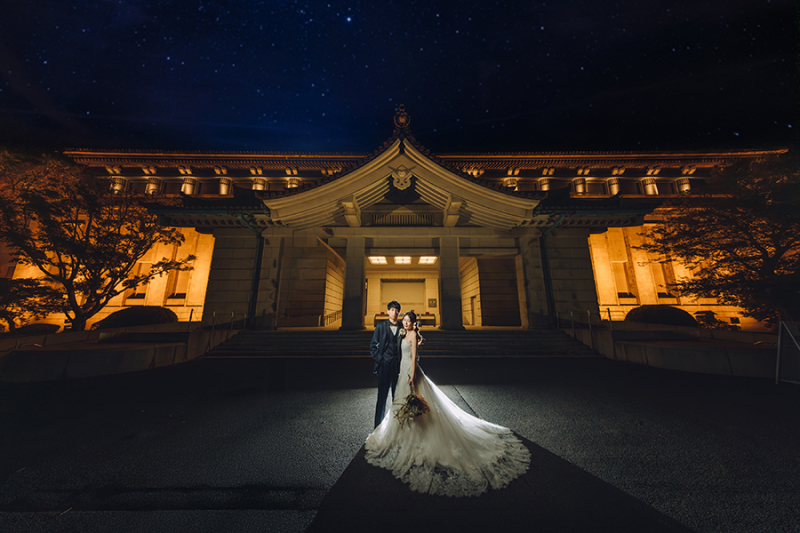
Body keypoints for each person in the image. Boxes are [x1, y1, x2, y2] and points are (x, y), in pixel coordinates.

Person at [365, 310, 531, 497]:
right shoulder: (404, 334)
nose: (405, 323)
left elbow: (414, 358)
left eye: (408, 321)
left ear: (413, 323)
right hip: (401, 372)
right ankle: (402, 435)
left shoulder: (412, 335)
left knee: (414, 404)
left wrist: (411, 376)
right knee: (401, 404)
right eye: (404, 320)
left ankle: (416, 436)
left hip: (410, 374)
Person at [370, 300, 403, 428]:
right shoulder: (380, 326)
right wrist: (380, 359)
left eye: (397, 310)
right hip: (384, 365)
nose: (394, 312)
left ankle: (396, 427)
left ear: (399, 313)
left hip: (397, 366)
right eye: (392, 310)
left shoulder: (402, 327)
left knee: (397, 397)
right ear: (388, 311)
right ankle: (378, 427)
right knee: (381, 397)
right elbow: (373, 346)